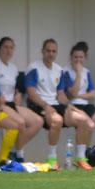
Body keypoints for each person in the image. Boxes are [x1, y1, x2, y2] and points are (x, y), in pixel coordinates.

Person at [60, 41, 95, 167]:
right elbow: (72, 93)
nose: (78, 60)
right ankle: (82, 158)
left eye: (81, 57)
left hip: (86, 105)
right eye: (75, 57)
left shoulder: (86, 71)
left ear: (85, 58)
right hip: (72, 107)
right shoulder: (65, 71)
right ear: (71, 57)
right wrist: (78, 74)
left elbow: (92, 94)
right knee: (88, 126)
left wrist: (80, 95)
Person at [0, 36, 44, 163]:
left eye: (11, 48)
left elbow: (15, 87)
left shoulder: (13, 68)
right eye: (5, 47)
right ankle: (17, 154)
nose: (8, 50)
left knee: (38, 121)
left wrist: (17, 94)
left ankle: (14, 151)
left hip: (12, 104)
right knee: (20, 123)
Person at [25, 38, 72, 170]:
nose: (51, 54)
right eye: (48, 51)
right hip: (38, 105)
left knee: (84, 120)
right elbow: (32, 94)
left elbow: (61, 94)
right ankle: (52, 159)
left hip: (55, 104)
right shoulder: (34, 68)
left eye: (54, 51)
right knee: (57, 121)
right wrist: (46, 106)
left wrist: (69, 105)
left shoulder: (59, 70)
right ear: (42, 51)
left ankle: (81, 158)